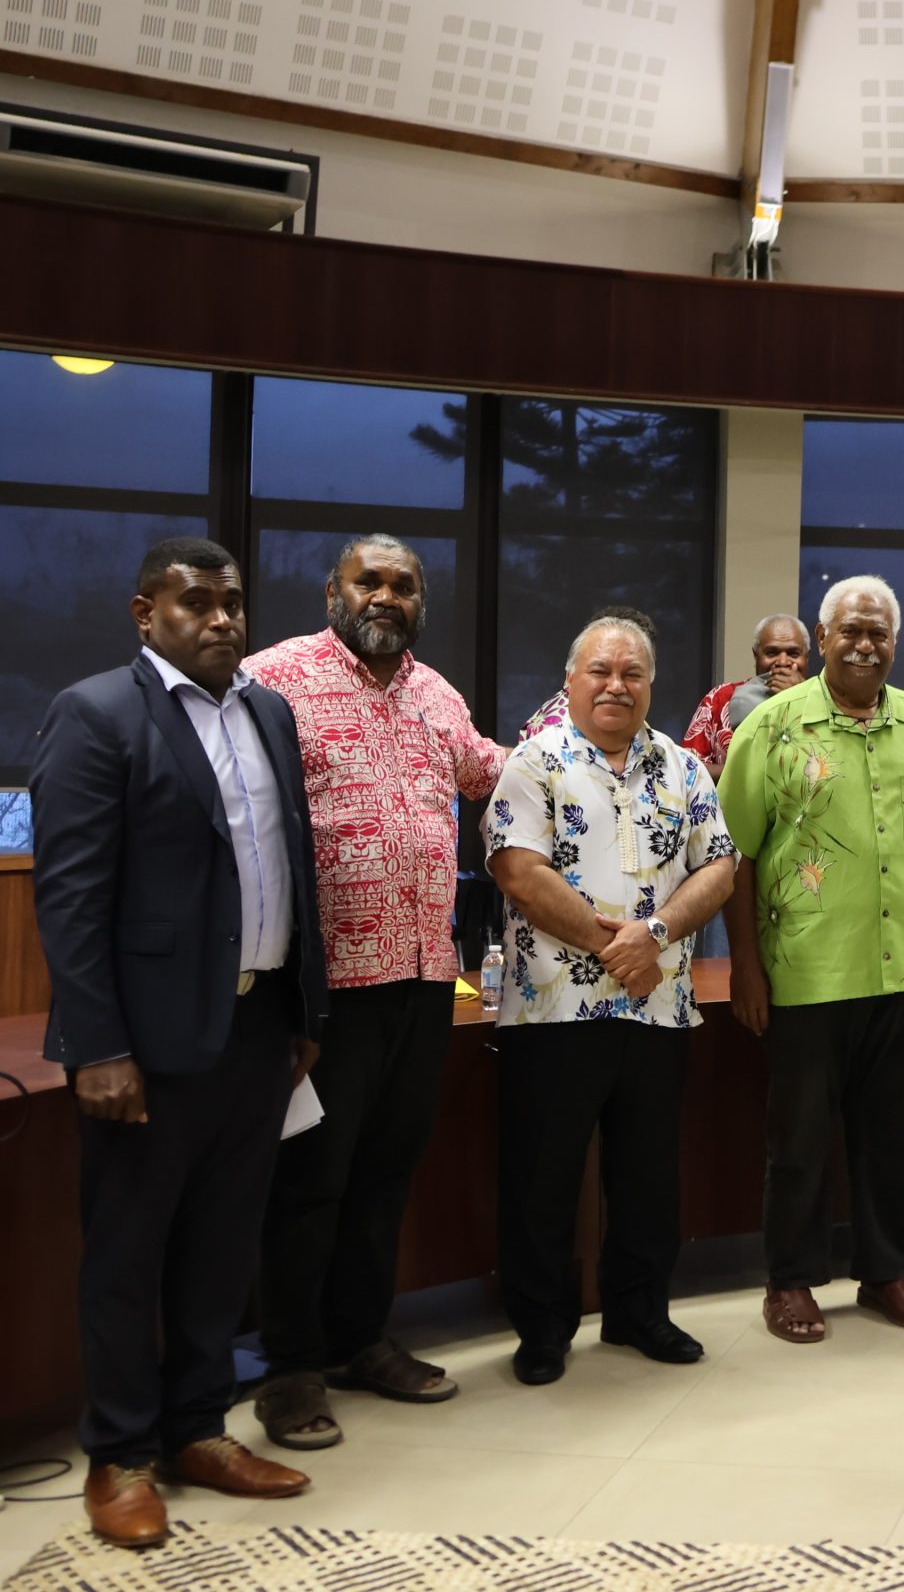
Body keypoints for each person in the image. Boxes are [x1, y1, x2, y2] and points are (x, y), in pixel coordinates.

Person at [32, 537, 328, 1549]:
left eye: (232, 602)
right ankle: (120, 1455)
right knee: (129, 1251)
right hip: (147, 1043)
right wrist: (96, 1043)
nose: (220, 620)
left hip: (256, 1027)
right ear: (143, 611)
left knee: (220, 1247)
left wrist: (303, 1015)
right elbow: (70, 898)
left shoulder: (269, 712)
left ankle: (199, 1428)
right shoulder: (98, 713)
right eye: (195, 602)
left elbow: (294, 866)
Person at [243, 534, 510, 1450]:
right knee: (310, 1182)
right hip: (326, 992)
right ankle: (288, 1368)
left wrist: (592, 743)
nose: (386, 595)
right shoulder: (271, 679)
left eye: (403, 583)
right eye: (371, 580)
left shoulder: (436, 694)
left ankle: (361, 1339)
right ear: (333, 590)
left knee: (384, 1173)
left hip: (428, 980)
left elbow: (493, 770)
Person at [719, 574, 904, 1344]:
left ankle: (884, 1270)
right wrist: (746, 966)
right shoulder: (771, 728)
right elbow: (732, 852)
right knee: (798, 1140)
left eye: (880, 634)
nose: (865, 644)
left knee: (893, 1136)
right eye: (851, 631)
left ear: (894, 644)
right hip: (805, 972)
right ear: (823, 638)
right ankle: (790, 1279)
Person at [481, 615, 736, 1386]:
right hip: (551, 1013)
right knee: (543, 1177)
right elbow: (518, 871)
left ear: (651, 684)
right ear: (572, 679)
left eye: (632, 673)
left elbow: (718, 867)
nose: (616, 684)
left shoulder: (684, 769)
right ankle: (543, 1327)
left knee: (649, 1174)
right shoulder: (535, 763)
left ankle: (639, 1310)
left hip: (658, 1010)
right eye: (600, 670)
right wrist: (616, 947)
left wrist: (653, 932)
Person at [679, 613, 811, 778]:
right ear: (756, 656)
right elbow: (686, 771)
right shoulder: (721, 699)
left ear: (806, 657)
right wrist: (741, 775)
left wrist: (800, 699)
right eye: (771, 653)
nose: (783, 662)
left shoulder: (825, 703)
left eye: (793, 654)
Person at [520, 603, 657, 742]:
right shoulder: (551, 735)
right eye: (600, 671)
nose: (616, 687)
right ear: (570, 677)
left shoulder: (669, 754)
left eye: (632, 673)